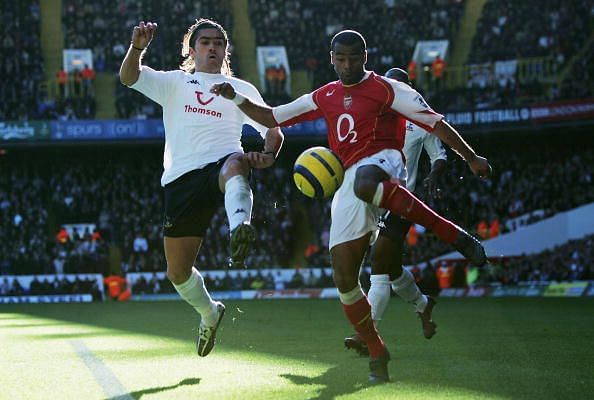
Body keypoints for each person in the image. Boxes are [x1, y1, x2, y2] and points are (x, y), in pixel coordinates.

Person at [210, 30, 490, 383]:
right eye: (339, 59)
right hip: (346, 183)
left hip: (385, 163)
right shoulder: (324, 94)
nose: (346, 65)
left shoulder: (387, 89)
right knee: (344, 277)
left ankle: (453, 234)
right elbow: (272, 117)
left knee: (365, 184)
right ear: (331, 59)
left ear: (365, 57)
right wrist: (235, 96)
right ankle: (377, 351)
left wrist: (471, 156)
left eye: (353, 58)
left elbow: (436, 123)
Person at [119, 18, 284, 357]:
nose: (212, 47)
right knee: (177, 272)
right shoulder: (175, 82)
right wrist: (137, 48)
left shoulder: (242, 88)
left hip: (223, 164)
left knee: (237, 163)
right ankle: (210, 312)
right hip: (181, 179)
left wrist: (269, 154)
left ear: (225, 50)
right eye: (205, 42)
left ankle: (240, 227)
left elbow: (273, 126)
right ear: (191, 50)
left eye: (219, 42)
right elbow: (129, 77)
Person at [344, 67, 448, 356]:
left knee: (378, 268)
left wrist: (434, 176)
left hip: (402, 201)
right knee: (390, 268)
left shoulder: (417, 118)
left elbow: (439, 155)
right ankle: (423, 303)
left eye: (399, 84)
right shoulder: (373, 118)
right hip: (372, 201)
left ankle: (366, 334)